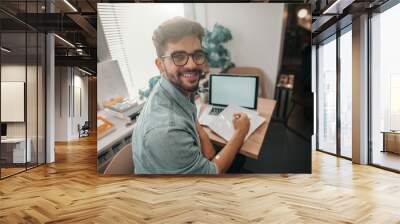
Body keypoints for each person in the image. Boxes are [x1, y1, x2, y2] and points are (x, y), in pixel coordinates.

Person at [133, 17, 250, 174]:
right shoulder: (166, 132)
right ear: (160, 65)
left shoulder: (171, 87)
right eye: (179, 57)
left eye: (197, 54)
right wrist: (241, 132)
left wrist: (203, 136)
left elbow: (188, 111)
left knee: (240, 159)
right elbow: (212, 173)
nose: (192, 65)